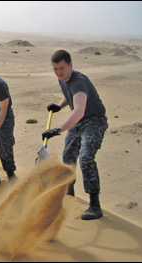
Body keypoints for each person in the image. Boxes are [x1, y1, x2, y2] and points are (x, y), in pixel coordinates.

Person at [42, 50, 108, 220]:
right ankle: (69, 191)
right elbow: (69, 96)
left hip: (94, 121)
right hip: (79, 121)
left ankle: (95, 206)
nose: (58, 72)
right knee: (68, 155)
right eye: (55, 69)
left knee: (86, 157)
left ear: (70, 65)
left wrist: (58, 130)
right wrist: (60, 106)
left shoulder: (79, 81)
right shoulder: (63, 79)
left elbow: (78, 110)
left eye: (62, 68)